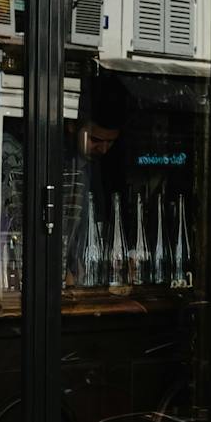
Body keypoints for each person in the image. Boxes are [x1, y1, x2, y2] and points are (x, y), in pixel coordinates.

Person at [64, 73, 125, 287]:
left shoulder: (104, 166)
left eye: (111, 142)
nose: (104, 149)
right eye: (96, 139)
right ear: (72, 126)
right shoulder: (55, 163)